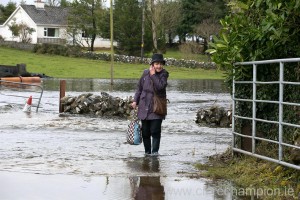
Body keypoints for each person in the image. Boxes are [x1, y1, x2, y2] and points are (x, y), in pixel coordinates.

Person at [131, 53, 169, 156]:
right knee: (145, 133)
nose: (159, 66)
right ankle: (147, 154)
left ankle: (155, 153)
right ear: (152, 64)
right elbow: (139, 88)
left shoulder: (164, 74)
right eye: (157, 64)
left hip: (157, 107)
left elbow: (160, 86)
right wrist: (135, 100)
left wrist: (153, 75)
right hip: (144, 106)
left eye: (161, 64)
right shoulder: (145, 73)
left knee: (155, 131)